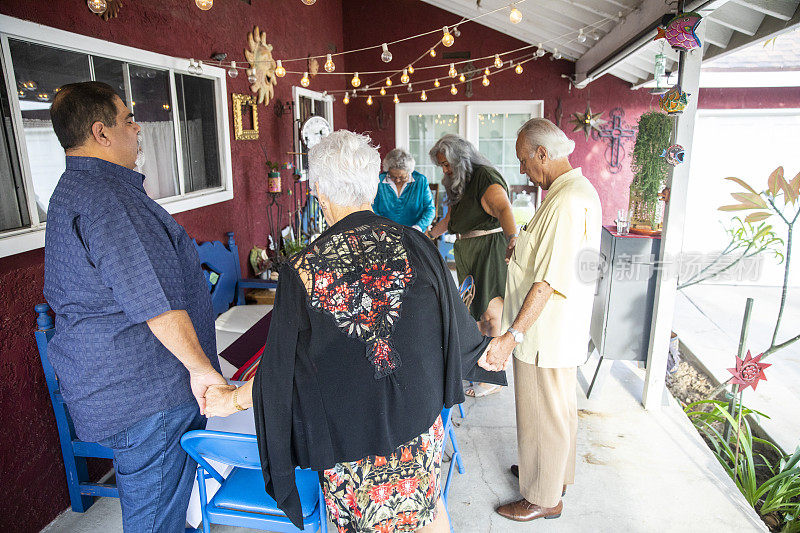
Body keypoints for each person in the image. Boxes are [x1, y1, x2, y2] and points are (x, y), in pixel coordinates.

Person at [204, 130, 506, 533]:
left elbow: (280, 372)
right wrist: (493, 348)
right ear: (370, 184)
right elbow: (460, 334)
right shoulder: (418, 245)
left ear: (320, 194)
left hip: (351, 443)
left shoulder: (305, 269)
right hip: (420, 423)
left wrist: (232, 400)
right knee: (428, 511)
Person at [43, 81, 226, 532]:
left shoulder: (76, 187)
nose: (138, 127)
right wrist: (203, 371)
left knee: (167, 506)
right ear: (101, 133)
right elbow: (154, 302)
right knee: (155, 521)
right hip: (145, 393)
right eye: (128, 120)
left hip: (116, 385)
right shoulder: (108, 199)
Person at [480, 118, 602, 522]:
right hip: (559, 329)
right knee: (558, 409)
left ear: (542, 155)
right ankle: (550, 474)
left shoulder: (566, 200)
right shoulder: (570, 191)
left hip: (545, 331)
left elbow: (548, 282)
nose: (520, 169)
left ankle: (542, 498)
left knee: (541, 414)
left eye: (522, 160)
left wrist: (511, 335)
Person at [426, 134, 516, 397]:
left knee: (492, 314)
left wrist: (513, 239)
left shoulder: (484, 177)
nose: (444, 170)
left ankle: (493, 376)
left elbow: (503, 209)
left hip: (489, 251)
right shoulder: (462, 181)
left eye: (446, 164)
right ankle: (480, 367)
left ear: (460, 159)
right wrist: (431, 234)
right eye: (441, 165)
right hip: (468, 251)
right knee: (475, 315)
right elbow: (452, 216)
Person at [373, 148, 435, 232]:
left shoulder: (420, 181)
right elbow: (373, 208)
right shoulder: (379, 181)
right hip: (385, 231)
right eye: (393, 176)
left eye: (402, 177)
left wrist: (418, 227)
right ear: (387, 170)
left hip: (414, 231)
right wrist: (382, 227)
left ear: (409, 171)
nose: (397, 180)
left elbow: (430, 209)